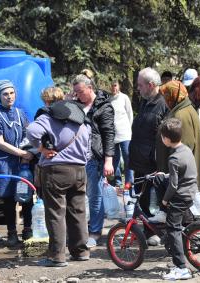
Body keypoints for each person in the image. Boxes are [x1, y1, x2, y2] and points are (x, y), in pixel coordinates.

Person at [26, 94, 91, 267]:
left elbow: (31, 131)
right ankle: (81, 252)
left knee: (56, 214)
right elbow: (89, 149)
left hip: (56, 171)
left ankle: (57, 256)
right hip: (79, 170)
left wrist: (41, 149)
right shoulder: (81, 122)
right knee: (78, 212)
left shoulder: (47, 118)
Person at [150, 80, 200, 223]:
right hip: (181, 172)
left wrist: (172, 169)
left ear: (173, 95)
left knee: (180, 218)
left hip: (180, 175)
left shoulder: (181, 114)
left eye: (166, 96)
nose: (164, 99)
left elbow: (185, 146)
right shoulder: (184, 109)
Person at [0, 79, 34, 246]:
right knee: (8, 199)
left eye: (12, 93)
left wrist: (27, 151)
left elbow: (28, 134)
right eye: (5, 94)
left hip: (22, 165)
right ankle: (12, 233)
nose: (9, 97)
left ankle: (28, 230)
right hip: (4, 164)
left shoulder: (20, 113)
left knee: (27, 196)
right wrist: (22, 152)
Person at [72, 74, 115, 246]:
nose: (77, 95)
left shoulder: (104, 107)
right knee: (80, 196)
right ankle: (82, 229)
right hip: (77, 157)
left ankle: (95, 232)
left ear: (90, 88)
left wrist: (108, 160)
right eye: (74, 92)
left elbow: (109, 135)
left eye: (80, 92)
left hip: (94, 157)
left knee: (95, 195)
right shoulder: (77, 105)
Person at [129, 67, 168, 246]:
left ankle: (159, 233)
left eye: (140, 85)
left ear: (151, 85)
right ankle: (147, 230)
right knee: (142, 198)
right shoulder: (145, 102)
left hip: (153, 163)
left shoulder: (163, 104)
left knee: (158, 199)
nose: (138, 89)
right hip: (140, 161)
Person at [158, 118, 196, 280]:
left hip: (180, 196)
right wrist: (165, 175)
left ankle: (181, 268)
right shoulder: (186, 150)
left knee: (172, 228)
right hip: (191, 191)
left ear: (167, 139)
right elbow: (183, 173)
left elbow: (173, 185)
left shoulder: (173, 158)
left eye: (162, 137)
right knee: (177, 225)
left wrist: (165, 200)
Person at [109, 80, 134, 188]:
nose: (113, 87)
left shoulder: (124, 98)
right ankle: (117, 181)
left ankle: (129, 182)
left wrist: (129, 129)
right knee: (115, 159)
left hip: (125, 133)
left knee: (127, 157)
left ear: (119, 86)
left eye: (115, 85)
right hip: (113, 134)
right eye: (111, 86)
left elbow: (130, 114)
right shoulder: (108, 100)